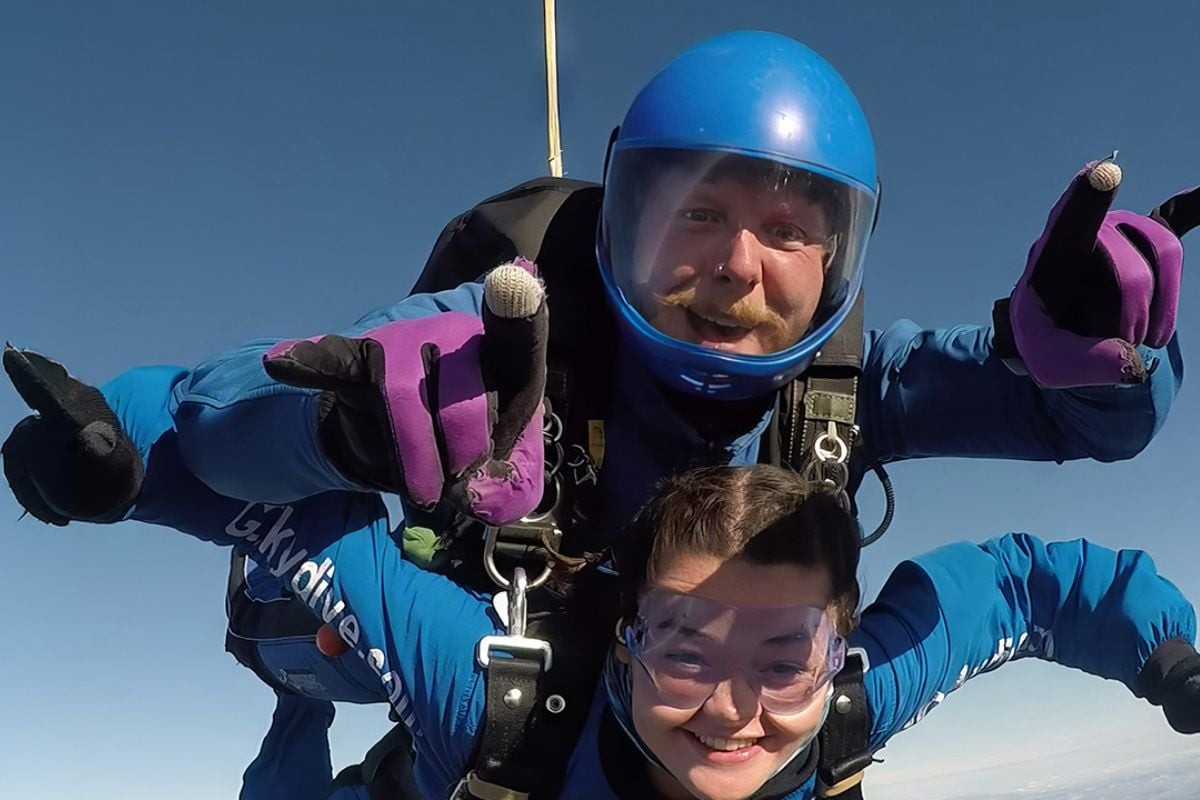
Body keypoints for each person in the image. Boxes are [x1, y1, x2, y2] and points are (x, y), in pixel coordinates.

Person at [4, 29, 1198, 799]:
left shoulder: (847, 388)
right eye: (699, 211)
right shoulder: (506, 340)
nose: (741, 263)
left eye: (790, 228)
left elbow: (1067, 433)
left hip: (596, 680)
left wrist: (1101, 362)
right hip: (495, 664)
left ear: (840, 258)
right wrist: (204, 445)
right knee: (312, 662)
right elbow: (255, 413)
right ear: (623, 215)